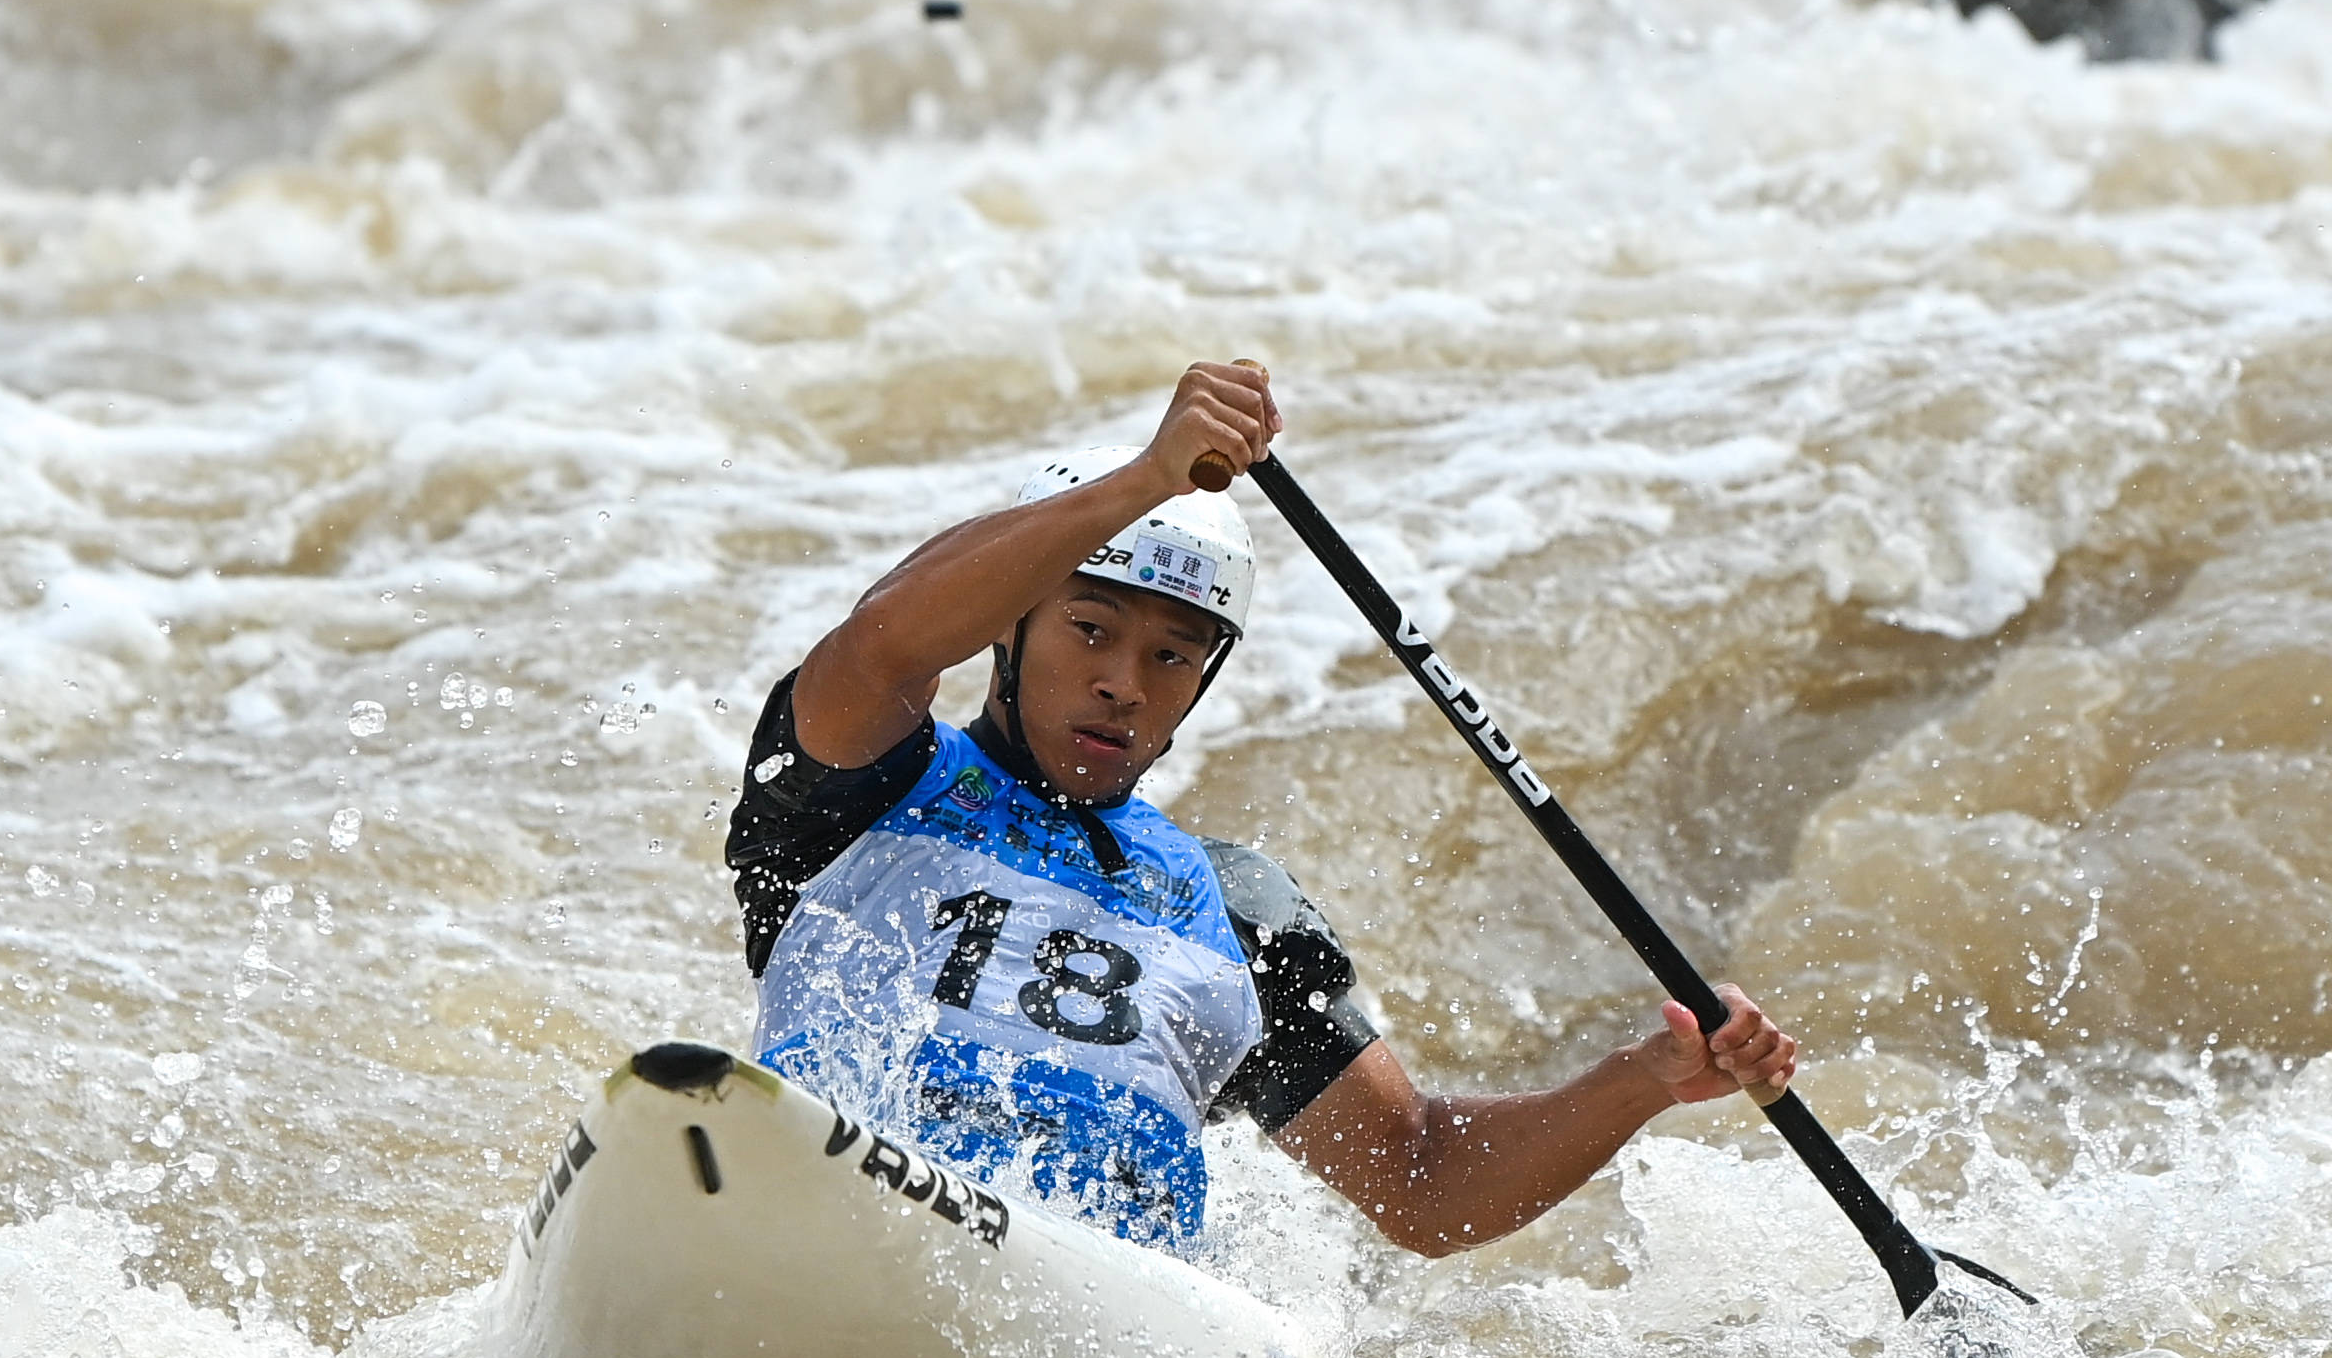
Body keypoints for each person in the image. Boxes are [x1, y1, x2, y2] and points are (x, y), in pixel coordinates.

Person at [723, 360, 1796, 1259]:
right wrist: (1147, 479)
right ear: (1009, 630)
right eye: (1088, 631)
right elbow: (885, 640)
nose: (1124, 684)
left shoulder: (1231, 912)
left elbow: (1418, 1181)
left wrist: (1645, 1078)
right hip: (828, 1234)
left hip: (1084, 1320)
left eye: (1172, 655)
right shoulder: (866, 783)